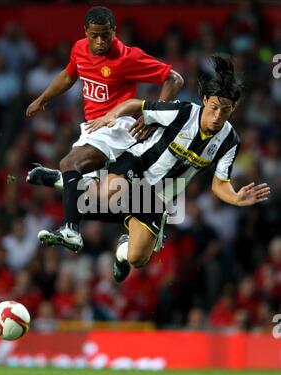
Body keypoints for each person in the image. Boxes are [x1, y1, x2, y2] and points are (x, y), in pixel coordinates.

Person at [77, 54, 270, 282]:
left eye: (225, 110)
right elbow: (136, 104)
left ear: (234, 107)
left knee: (137, 259)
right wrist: (109, 116)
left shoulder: (230, 142)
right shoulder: (182, 112)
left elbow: (220, 184)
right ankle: (70, 178)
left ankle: (122, 249)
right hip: (138, 164)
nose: (218, 116)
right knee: (106, 193)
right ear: (205, 99)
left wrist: (236, 198)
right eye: (215, 107)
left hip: (159, 194)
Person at [25, 6, 183, 252]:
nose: (100, 41)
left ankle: (71, 231)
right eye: (95, 35)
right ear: (86, 32)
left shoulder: (127, 57)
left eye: (106, 35)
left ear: (114, 32)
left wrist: (152, 115)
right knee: (91, 200)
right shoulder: (79, 48)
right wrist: (43, 98)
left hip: (117, 126)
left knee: (69, 164)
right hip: (92, 128)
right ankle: (149, 213)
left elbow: (174, 78)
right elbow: (69, 76)